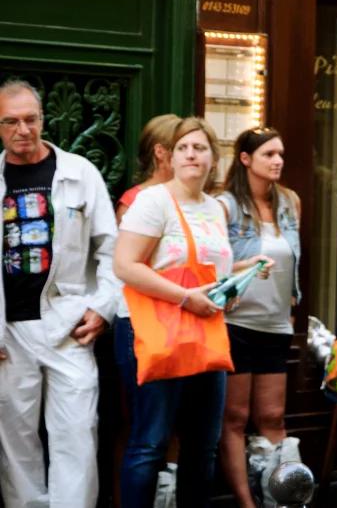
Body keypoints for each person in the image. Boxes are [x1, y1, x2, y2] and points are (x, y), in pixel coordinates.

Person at [113, 117, 270, 508]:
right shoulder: (153, 202)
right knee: (150, 442)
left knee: (203, 445)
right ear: (170, 156)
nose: (190, 154)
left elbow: (207, 271)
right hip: (154, 330)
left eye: (199, 148)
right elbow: (126, 266)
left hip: (203, 330)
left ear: (214, 159)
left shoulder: (216, 208)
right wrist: (186, 297)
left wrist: (238, 279)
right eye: (182, 147)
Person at [0, 79, 119, 507]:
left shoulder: (79, 172)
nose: (23, 129)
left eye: (30, 119)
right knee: (16, 441)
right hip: (9, 331)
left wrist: (103, 308)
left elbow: (112, 248)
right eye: (11, 121)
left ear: (43, 119)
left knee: (77, 434)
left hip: (69, 324)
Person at [215, 128, 302, 508]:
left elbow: (293, 262)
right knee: (234, 417)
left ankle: (279, 498)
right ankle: (246, 503)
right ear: (246, 159)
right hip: (236, 324)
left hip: (276, 323)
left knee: (273, 416)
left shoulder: (289, 203)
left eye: (280, 153)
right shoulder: (225, 205)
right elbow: (210, 265)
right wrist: (240, 269)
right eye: (269, 154)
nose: (278, 161)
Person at [117, 114, 182, 222]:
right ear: (160, 152)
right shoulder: (133, 200)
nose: (190, 155)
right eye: (181, 148)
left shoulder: (192, 195)